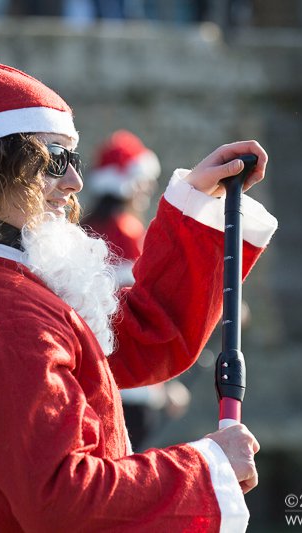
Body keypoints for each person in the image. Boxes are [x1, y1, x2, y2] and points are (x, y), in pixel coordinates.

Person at [0, 51, 278, 532]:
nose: (75, 181)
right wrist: (208, 469)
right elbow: (63, 498)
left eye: (75, 158)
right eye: (55, 160)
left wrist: (196, 204)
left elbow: (139, 338)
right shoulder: (1, 315)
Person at [83, 129, 192, 450]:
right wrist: (163, 384)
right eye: (144, 180)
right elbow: (140, 316)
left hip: (95, 381)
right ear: (129, 184)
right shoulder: (128, 232)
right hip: (133, 385)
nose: (149, 189)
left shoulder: (86, 228)